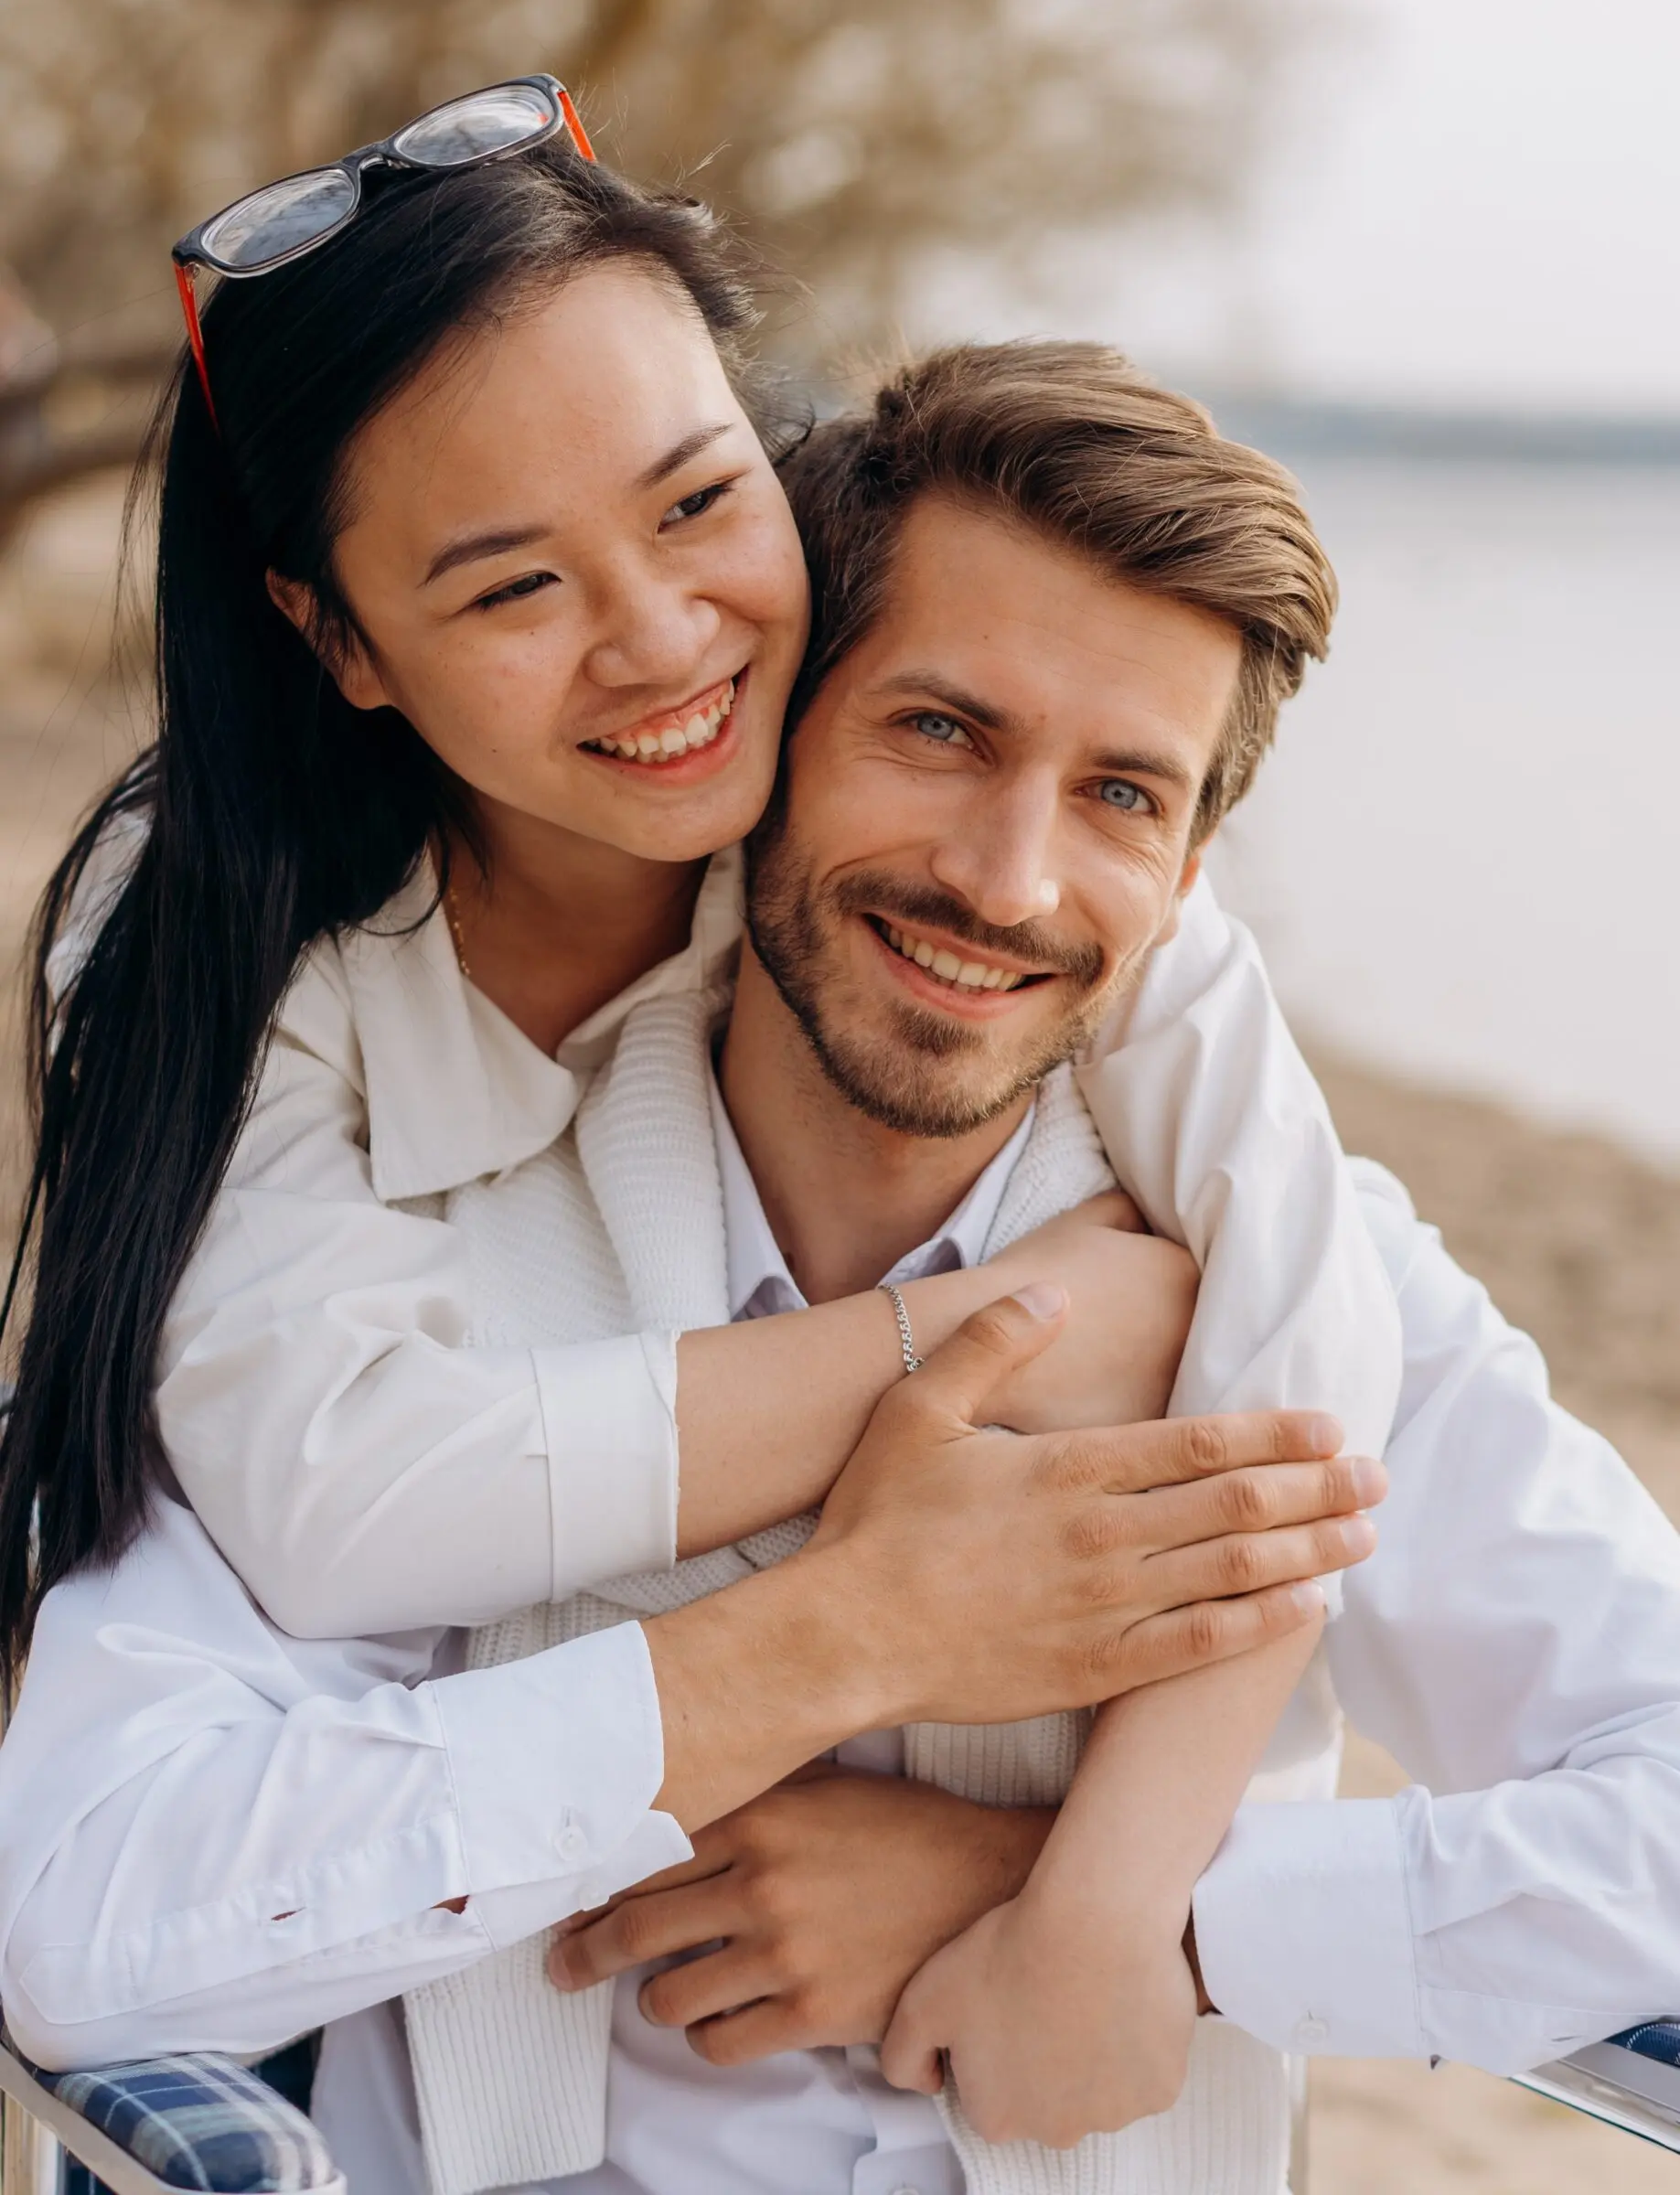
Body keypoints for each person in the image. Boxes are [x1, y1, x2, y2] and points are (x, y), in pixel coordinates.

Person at [8, 342, 1680, 2193]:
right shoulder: (427, 1263)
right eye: (942, 730)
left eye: (1124, 793)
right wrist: (817, 1647)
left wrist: (1128, 1914)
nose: (1011, 879)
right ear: (766, 731)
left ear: (1198, 867)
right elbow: (85, 1912)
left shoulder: (1296, 1290)